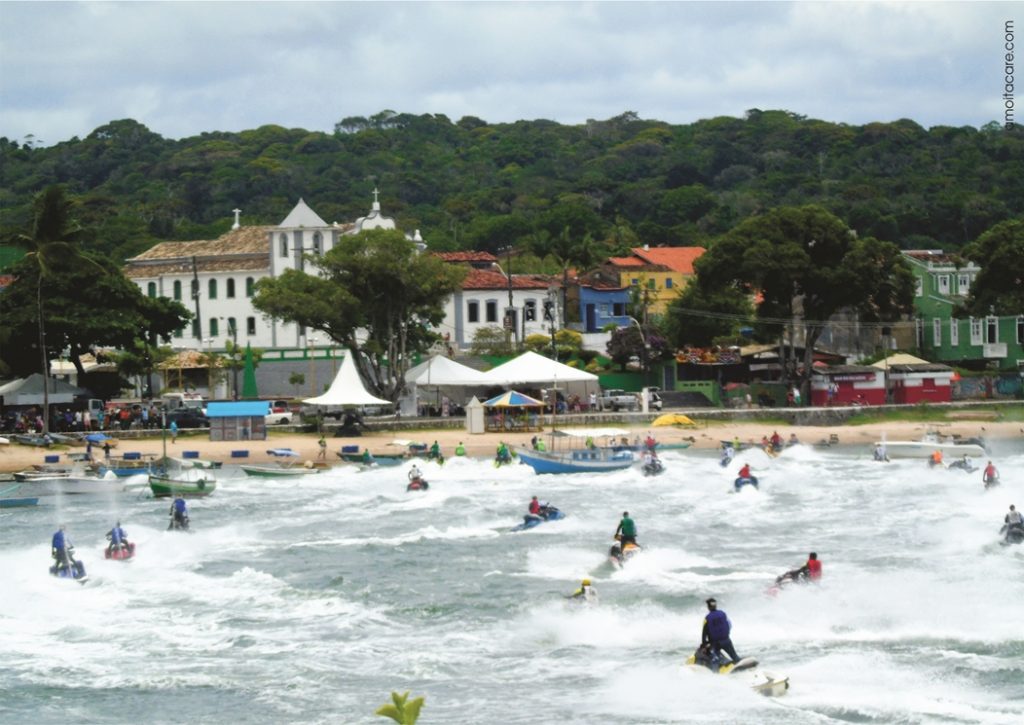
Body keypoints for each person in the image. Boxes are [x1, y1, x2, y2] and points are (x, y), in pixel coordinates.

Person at [701, 597, 741, 666]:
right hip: (726, 640)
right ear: (715, 605)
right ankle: (740, 665)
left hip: (715, 643)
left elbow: (704, 634)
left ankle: (717, 674)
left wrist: (704, 645)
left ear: (708, 607)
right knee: (735, 657)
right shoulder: (723, 614)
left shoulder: (707, 618)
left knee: (715, 660)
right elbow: (729, 625)